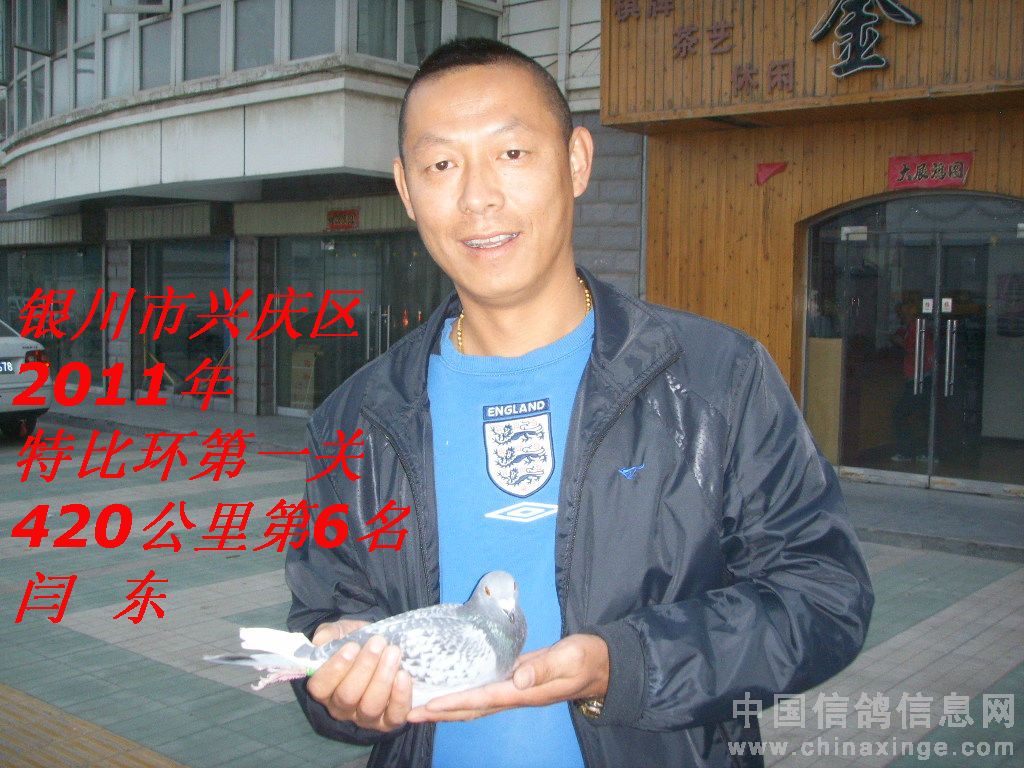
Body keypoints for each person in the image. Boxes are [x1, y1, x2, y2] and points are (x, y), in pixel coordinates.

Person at [285, 38, 874, 768]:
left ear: (576, 161)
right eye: (442, 165)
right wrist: (337, 690)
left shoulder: (715, 381)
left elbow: (823, 596)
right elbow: (324, 616)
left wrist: (624, 667)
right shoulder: (357, 418)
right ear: (406, 189)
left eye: (511, 154)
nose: (477, 197)